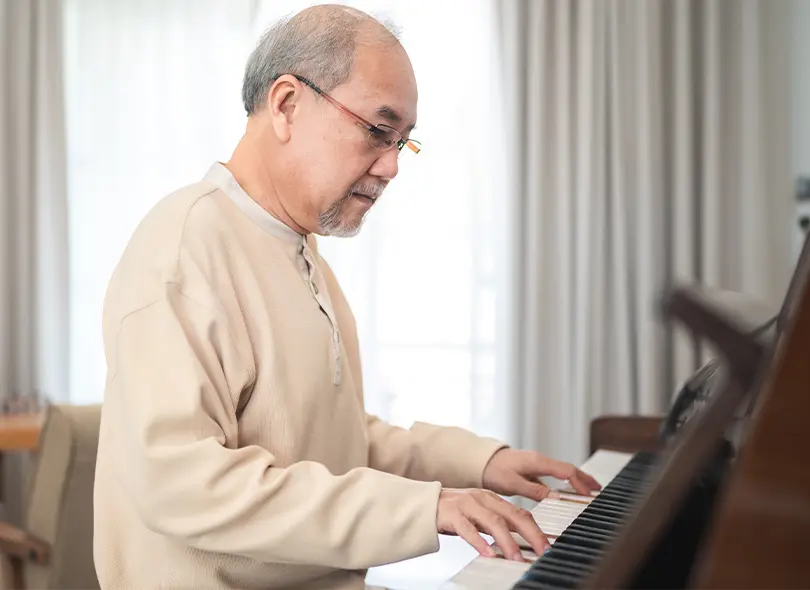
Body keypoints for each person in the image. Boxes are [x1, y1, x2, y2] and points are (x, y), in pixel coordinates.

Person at [92, 4, 600, 589]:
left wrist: (478, 464)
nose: (390, 167)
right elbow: (179, 483)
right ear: (286, 104)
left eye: (402, 142)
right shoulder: (185, 247)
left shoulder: (299, 249)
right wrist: (425, 508)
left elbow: (332, 439)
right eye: (378, 132)